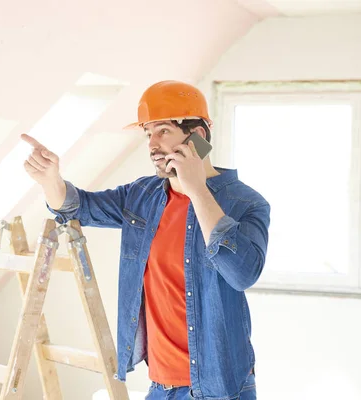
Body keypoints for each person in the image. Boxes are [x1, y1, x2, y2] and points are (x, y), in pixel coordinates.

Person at [22, 80, 270, 400]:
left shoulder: (246, 203)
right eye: (148, 134)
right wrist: (50, 180)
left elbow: (243, 273)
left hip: (220, 388)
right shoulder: (143, 196)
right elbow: (77, 207)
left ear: (198, 136)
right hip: (161, 386)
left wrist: (196, 190)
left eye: (163, 131)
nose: (152, 144)